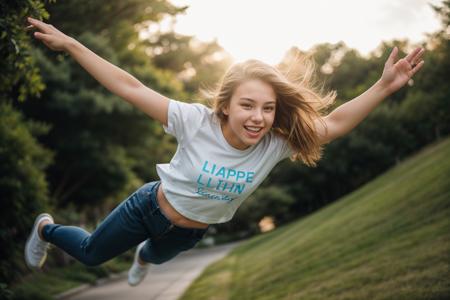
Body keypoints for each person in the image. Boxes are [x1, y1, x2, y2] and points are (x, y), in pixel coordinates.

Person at [23, 16, 424, 286]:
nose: (258, 118)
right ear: (226, 103)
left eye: (268, 108)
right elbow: (131, 87)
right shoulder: (195, 121)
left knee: (155, 257)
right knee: (92, 255)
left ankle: (143, 258)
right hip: (148, 207)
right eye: (248, 106)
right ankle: (46, 229)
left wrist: (385, 86)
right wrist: (73, 44)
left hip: (190, 230)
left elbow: (333, 124)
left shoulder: (274, 144)